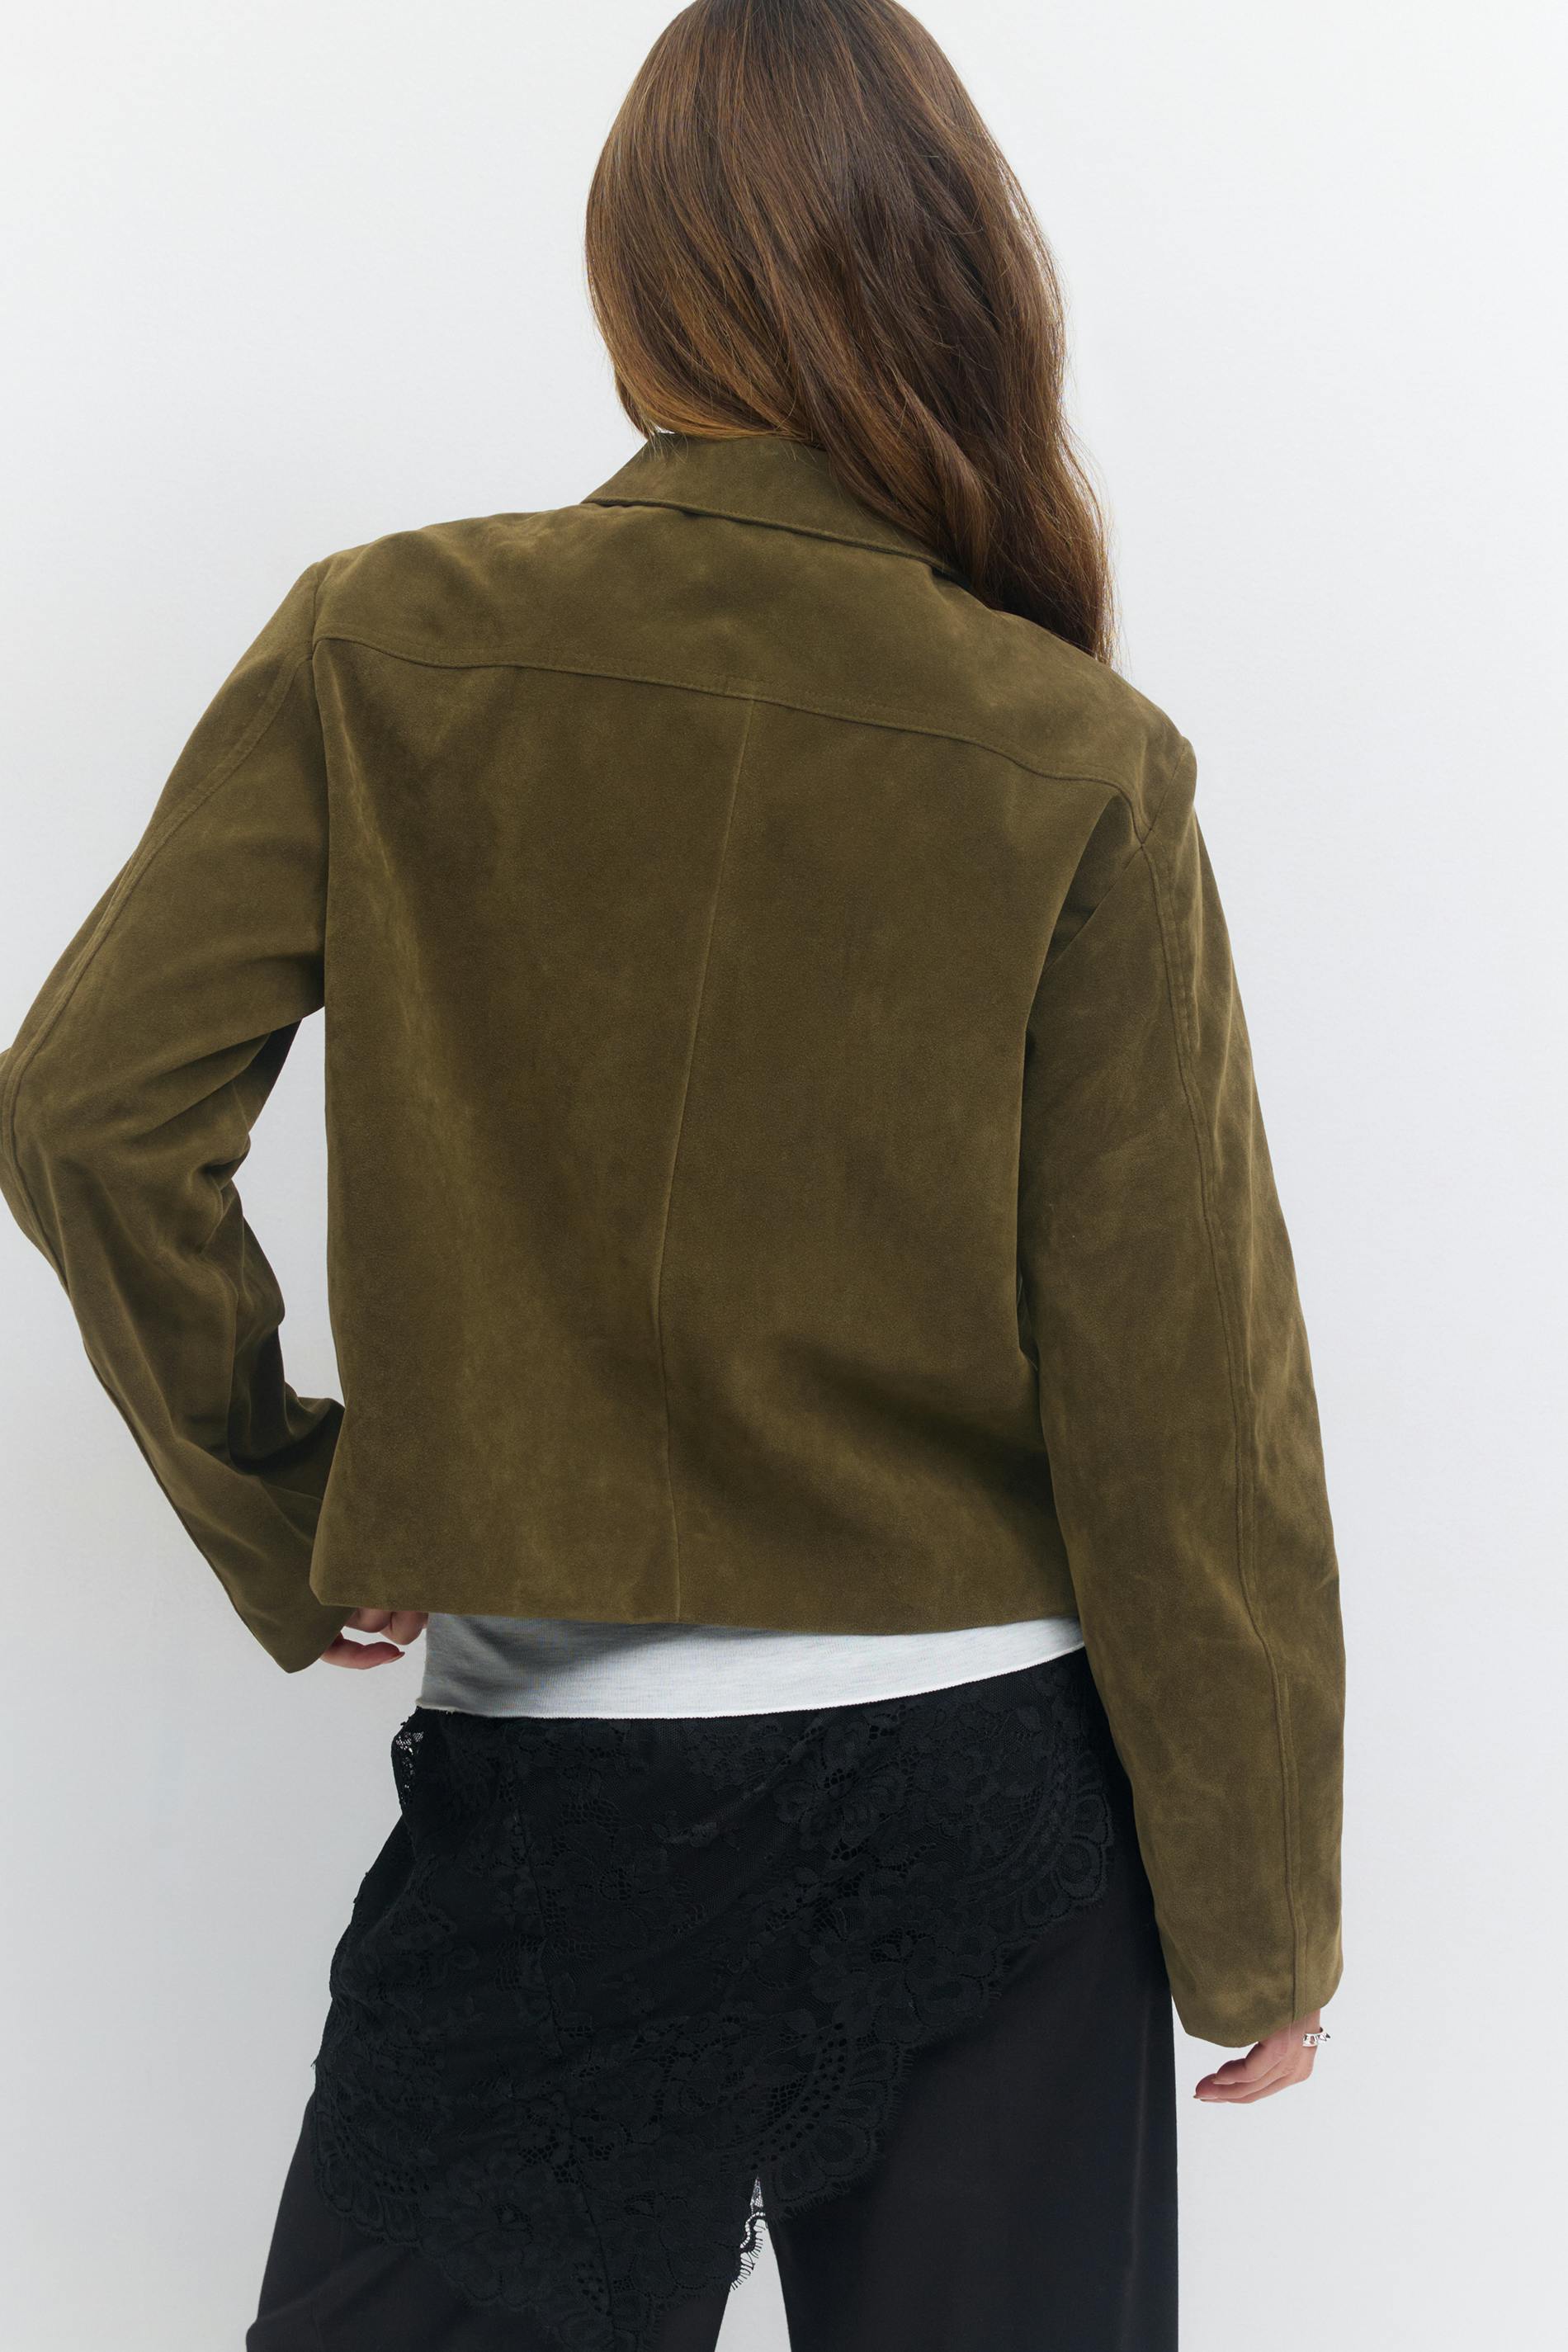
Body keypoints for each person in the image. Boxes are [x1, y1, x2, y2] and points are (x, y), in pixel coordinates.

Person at [0, 2, 1344, 2347]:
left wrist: (291, 1505)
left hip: (566, 1808)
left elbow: (86, 1114)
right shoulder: (1073, 750)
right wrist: (1260, 1919)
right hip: (997, 1818)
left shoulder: (382, 642)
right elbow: (1184, 1403)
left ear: (636, 283)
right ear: (956, 289)